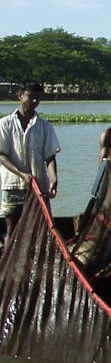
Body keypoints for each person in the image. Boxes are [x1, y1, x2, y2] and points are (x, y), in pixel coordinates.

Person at [0, 81, 61, 244]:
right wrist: (21, 174)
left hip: (38, 185)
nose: (34, 102)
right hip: (12, 185)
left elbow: (50, 157)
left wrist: (54, 179)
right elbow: (1, 155)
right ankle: (8, 265)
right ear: (20, 96)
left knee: (40, 228)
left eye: (38, 98)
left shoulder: (44, 126)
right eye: (31, 97)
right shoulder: (5, 124)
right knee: (11, 227)